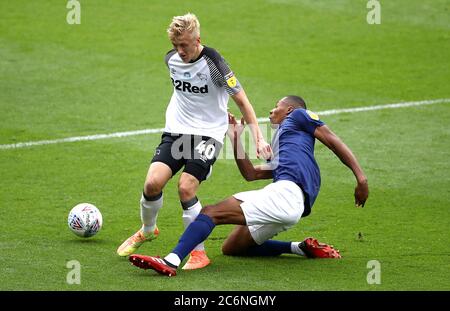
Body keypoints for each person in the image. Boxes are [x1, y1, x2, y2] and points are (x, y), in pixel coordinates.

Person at [128, 95, 369, 276]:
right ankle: (301, 248)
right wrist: (235, 137)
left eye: (277, 105)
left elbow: (332, 140)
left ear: (290, 109)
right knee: (232, 247)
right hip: (290, 206)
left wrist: (361, 178)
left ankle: (170, 261)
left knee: (211, 212)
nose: (271, 109)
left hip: (287, 195)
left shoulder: (298, 117)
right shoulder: (286, 147)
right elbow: (251, 173)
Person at [117, 13, 271, 271]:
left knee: (186, 187)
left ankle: (198, 253)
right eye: (176, 46)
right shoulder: (171, 60)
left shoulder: (215, 63)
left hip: (208, 134)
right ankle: (147, 230)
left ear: (198, 39)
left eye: (185, 46)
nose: (180, 51)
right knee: (152, 183)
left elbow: (242, 101)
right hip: (176, 132)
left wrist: (259, 138)